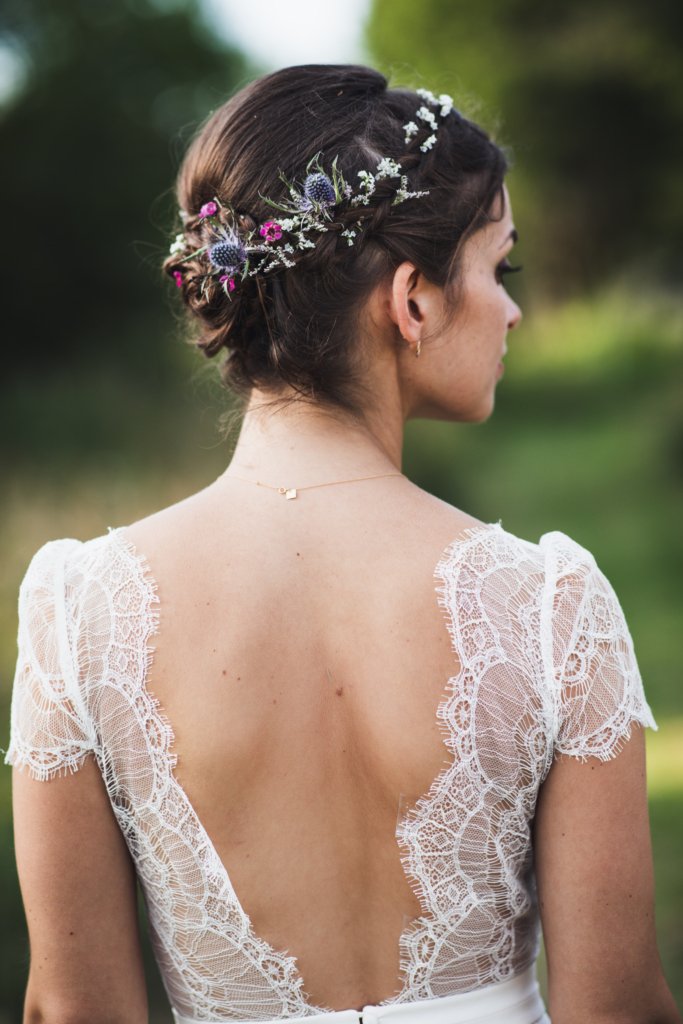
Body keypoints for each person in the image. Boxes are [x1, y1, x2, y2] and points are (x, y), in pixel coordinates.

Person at [3, 64, 680, 1024]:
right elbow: (615, 1010)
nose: (512, 310)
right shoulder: (548, 608)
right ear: (412, 301)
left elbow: (74, 1009)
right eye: (499, 269)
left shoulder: (78, 612)